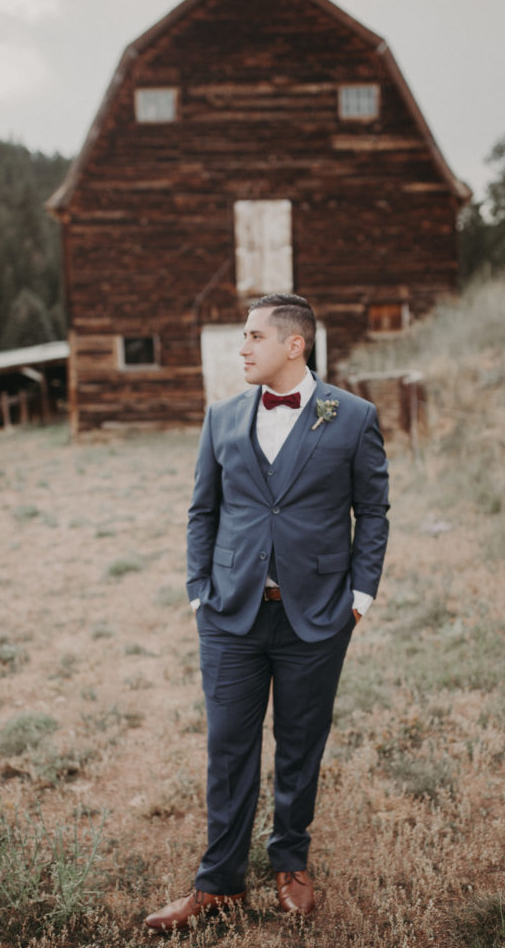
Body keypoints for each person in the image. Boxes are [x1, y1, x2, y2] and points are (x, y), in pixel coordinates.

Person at [145, 292, 390, 932]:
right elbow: (203, 510)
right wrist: (199, 589)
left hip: (317, 616)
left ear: (293, 345)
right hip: (230, 615)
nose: (242, 347)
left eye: (254, 336)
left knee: (302, 744)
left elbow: (374, 512)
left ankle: (290, 862)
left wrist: (358, 599)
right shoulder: (222, 416)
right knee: (228, 749)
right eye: (243, 336)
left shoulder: (353, 416)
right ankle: (218, 884)